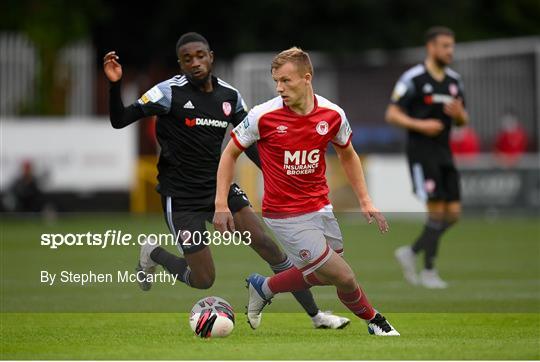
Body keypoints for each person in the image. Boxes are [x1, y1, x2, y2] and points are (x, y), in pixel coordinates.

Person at [103, 32, 348, 329]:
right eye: (187, 59)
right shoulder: (168, 93)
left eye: (200, 56)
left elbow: (253, 142)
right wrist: (115, 84)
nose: (195, 63)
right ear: (180, 64)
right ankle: (153, 253)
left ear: (211, 57)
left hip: (219, 188)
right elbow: (119, 120)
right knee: (204, 279)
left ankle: (316, 315)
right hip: (182, 199)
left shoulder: (229, 96)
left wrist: (277, 176)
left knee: (266, 245)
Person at [213, 47, 399, 336]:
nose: (279, 88)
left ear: (307, 78)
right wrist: (221, 204)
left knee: (322, 275)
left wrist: (365, 199)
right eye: (276, 81)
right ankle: (376, 322)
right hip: (284, 214)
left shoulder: (332, 114)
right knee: (344, 276)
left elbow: (348, 153)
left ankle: (264, 287)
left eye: (286, 80)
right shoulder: (263, 115)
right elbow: (229, 155)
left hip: (320, 206)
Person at [385, 26, 469, 288]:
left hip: (445, 152)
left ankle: (411, 252)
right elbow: (392, 114)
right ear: (431, 47)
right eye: (444, 46)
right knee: (436, 212)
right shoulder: (414, 78)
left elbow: (463, 120)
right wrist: (422, 125)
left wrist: (457, 114)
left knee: (453, 214)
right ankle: (429, 272)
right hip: (422, 152)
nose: (449, 51)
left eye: (451, 46)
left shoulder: (454, 81)